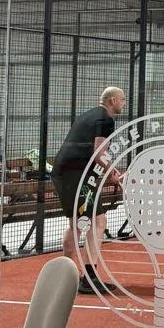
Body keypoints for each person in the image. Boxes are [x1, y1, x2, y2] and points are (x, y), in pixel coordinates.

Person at [52, 86, 126, 295]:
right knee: (99, 221)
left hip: (66, 173)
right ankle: (90, 278)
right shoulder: (106, 120)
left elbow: (89, 153)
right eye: (122, 99)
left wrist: (109, 173)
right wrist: (113, 174)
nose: (124, 102)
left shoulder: (89, 115)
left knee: (76, 224)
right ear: (112, 100)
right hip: (74, 175)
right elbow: (99, 154)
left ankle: (64, 277)